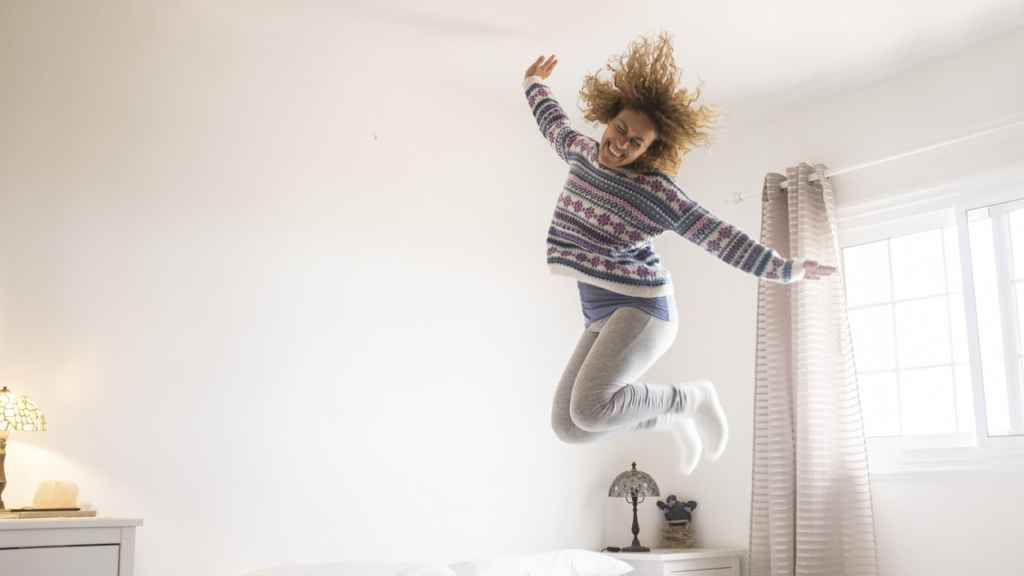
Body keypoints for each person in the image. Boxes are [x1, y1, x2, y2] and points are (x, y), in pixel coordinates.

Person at [524, 34, 835, 474]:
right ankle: (672, 416)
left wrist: (786, 270)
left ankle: (693, 398)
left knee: (591, 409)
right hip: (600, 310)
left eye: (636, 143)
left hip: (643, 308)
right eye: (619, 130)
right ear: (607, 121)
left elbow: (719, 235)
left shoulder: (657, 193)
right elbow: (553, 124)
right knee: (569, 426)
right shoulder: (581, 153)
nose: (621, 144)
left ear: (651, 151)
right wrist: (533, 84)